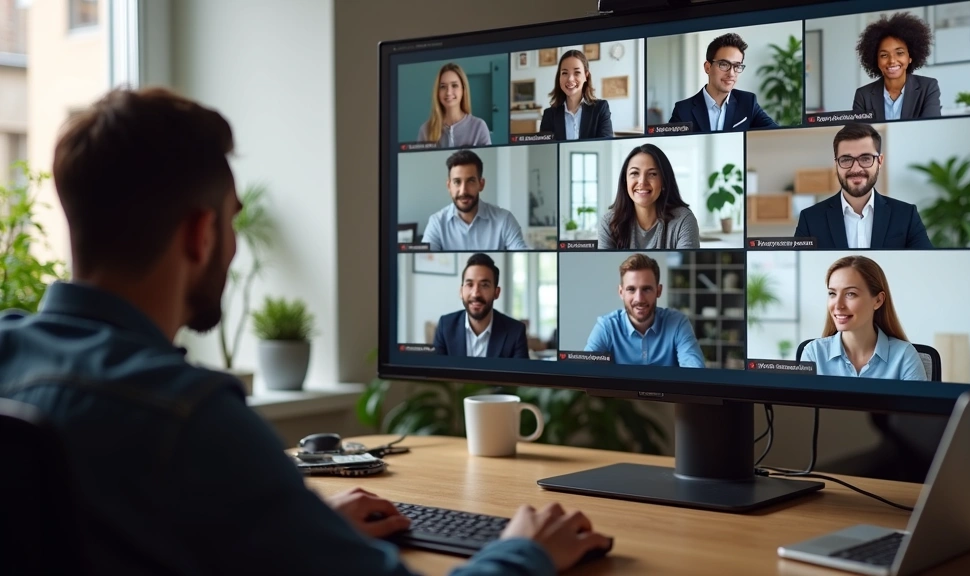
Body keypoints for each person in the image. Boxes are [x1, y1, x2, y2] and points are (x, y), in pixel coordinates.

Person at [0, 87, 611, 575]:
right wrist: (526, 548)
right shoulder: (191, 416)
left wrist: (299, 529)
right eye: (231, 220)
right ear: (200, 234)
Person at [794, 123, 932, 249]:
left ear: (880, 161)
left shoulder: (906, 216)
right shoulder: (810, 220)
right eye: (846, 159)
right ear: (836, 164)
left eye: (865, 158)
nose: (855, 169)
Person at [800, 255, 927, 381]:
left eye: (850, 294)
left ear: (878, 300)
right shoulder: (814, 353)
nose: (838, 305)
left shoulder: (904, 356)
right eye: (832, 293)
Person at [584, 253, 705, 368]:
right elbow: (585, 370)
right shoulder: (607, 326)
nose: (639, 299)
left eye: (646, 289)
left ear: (658, 291)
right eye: (631, 289)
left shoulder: (678, 323)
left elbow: (695, 371)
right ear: (621, 292)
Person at [597, 143, 700, 250]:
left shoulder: (683, 220)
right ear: (625, 181)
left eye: (652, 174)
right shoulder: (608, 222)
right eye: (635, 173)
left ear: (663, 181)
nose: (642, 182)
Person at [668, 33, 778, 132]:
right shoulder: (683, 110)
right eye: (724, 64)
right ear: (708, 67)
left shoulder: (748, 103)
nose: (731, 73)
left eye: (736, 66)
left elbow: (776, 134)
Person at [421, 149, 529, 251]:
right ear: (449, 186)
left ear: (481, 184)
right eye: (457, 182)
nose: (463, 191)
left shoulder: (504, 220)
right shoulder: (436, 223)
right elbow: (426, 259)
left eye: (471, 181)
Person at [433, 253, 530, 358]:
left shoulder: (515, 331)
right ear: (461, 291)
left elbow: (519, 374)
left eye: (484, 285)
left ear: (496, 292)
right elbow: (437, 372)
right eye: (469, 284)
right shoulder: (445, 326)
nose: (475, 293)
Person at [852, 12, 941, 120]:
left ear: (910, 57)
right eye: (884, 55)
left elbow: (930, 127)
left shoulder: (928, 87)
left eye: (899, 53)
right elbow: (859, 133)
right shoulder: (863, 95)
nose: (892, 61)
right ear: (876, 60)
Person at [538, 49, 613, 141]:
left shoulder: (600, 109)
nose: (570, 79)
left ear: (586, 76)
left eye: (577, 72)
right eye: (564, 73)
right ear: (559, 77)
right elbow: (545, 151)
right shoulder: (549, 115)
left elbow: (606, 146)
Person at [417, 62, 492, 147]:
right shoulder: (425, 130)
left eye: (454, 85)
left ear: (463, 90)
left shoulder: (479, 127)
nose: (448, 92)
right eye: (443, 86)